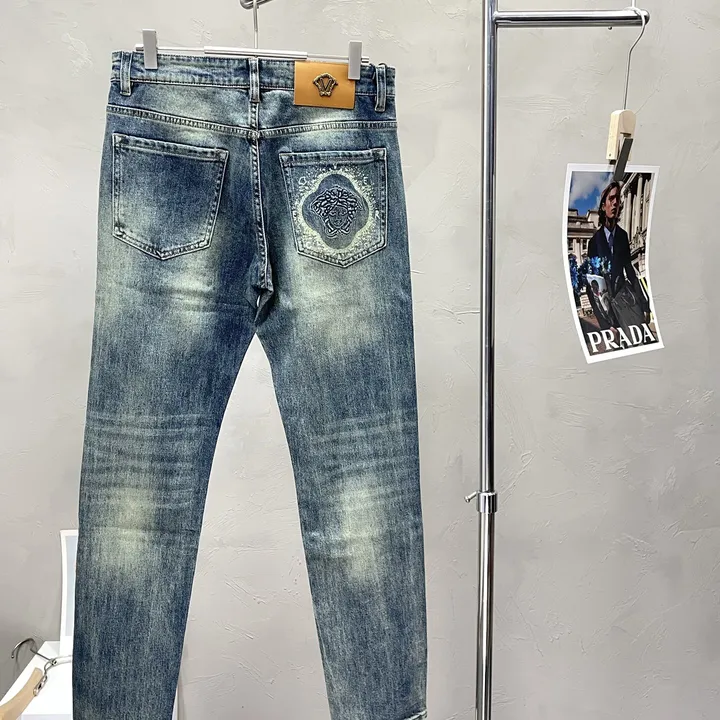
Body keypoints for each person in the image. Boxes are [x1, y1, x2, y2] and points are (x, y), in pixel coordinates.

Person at [587, 181, 650, 331]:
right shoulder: (594, 242)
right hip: (608, 312)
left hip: (626, 302)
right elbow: (592, 287)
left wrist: (644, 305)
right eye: (611, 198)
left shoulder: (623, 236)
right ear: (603, 206)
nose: (615, 202)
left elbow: (630, 273)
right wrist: (605, 325)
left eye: (618, 199)